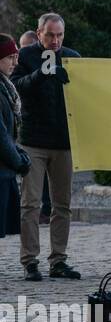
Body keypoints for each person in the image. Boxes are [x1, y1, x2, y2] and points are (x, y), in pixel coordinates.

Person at [13, 13, 81, 281]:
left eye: (60, 35)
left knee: (62, 205)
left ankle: (59, 260)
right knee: (30, 204)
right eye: (50, 35)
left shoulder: (73, 56)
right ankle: (30, 260)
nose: (55, 40)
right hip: (33, 142)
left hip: (64, 142)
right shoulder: (26, 56)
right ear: (39, 33)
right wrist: (39, 75)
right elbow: (16, 86)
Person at [1, 35, 30, 255]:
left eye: (15, 56)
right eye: (10, 57)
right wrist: (18, 160)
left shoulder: (5, 87)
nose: (14, 62)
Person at [18, 31, 49, 225]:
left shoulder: (68, 56)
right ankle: (28, 255)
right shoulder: (23, 62)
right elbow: (19, 86)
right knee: (30, 198)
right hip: (31, 135)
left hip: (56, 137)